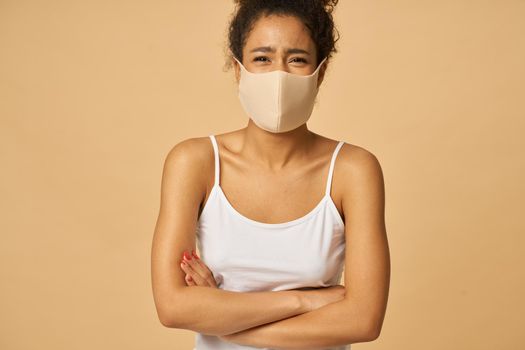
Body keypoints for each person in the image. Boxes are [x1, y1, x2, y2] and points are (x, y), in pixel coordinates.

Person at [151, 1, 390, 349]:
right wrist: (306, 300)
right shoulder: (195, 162)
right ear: (238, 69)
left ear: (320, 72)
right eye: (262, 58)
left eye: (297, 59)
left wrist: (223, 318)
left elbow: (364, 320)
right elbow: (172, 307)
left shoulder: (353, 170)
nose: (279, 74)